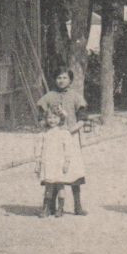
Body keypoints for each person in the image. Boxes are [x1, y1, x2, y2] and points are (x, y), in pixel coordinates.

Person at [34, 68, 88, 215]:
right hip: (53, 139)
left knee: (74, 172)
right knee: (52, 171)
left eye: (64, 78)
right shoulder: (49, 97)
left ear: (70, 80)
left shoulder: (76, 97)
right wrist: (47, 127)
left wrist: (70, 130)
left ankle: (78, 206)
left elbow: (83, 118)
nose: (61, 81)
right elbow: (40, 116)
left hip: (71, 137)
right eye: (59, 78)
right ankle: (50, 206)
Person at [36, 103, 84, 218]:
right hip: (48, 163)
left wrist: (67, 162)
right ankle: (46, 208)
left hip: (59, 163)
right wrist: (37, 163)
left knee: (60, 186)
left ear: (60, 119)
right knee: (48, 187)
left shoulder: (64, 133)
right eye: (49, 118)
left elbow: (68, 149)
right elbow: (39, 148)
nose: (52, 120)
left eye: (55, 117)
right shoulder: (44, 134)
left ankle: (60, 208)